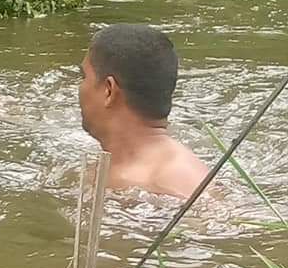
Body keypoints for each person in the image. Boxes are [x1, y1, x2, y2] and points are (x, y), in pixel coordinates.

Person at [78, 23, 209, 199]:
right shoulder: (102, 167)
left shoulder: (177, 181)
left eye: (83, 77)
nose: (79, 87)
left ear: (108, 90)